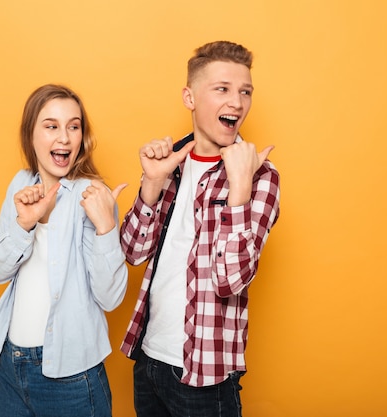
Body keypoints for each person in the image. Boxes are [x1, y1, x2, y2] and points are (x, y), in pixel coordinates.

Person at [119, 41, 281, 416]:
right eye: (222, 89)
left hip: (205, 376)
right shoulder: (169, 162)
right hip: (148, 361)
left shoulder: (261, 177)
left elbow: (230, 280)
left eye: (245, 92)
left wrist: (239, 190)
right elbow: (132, 251)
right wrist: (151, 184)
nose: (237, 103)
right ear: (189, 97)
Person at [0, 84, 128, 417]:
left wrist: (105, 228)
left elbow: (111, 298)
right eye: (51, 126)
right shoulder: (20, 184)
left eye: (73, 126)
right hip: (11, 367)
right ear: (31, 135)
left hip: (71, 376)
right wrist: (24, 224)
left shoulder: (93, 196)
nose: (65, 138)